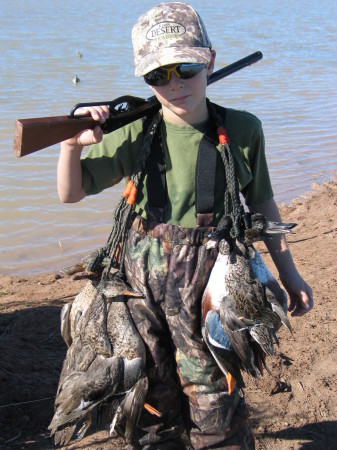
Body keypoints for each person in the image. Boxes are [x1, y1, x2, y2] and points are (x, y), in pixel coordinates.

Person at [57, 2, 313, 449]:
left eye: (187, 68)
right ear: (144, 79)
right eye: (158, 76)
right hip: (138, 286)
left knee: (216, 397)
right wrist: (71, 146)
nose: (174, 85)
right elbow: (70, 193)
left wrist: (288, 274)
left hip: (214, 278)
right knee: (149, 398)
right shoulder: (131, 131)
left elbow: (264, 203)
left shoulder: (243, 129)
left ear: (210, 60)